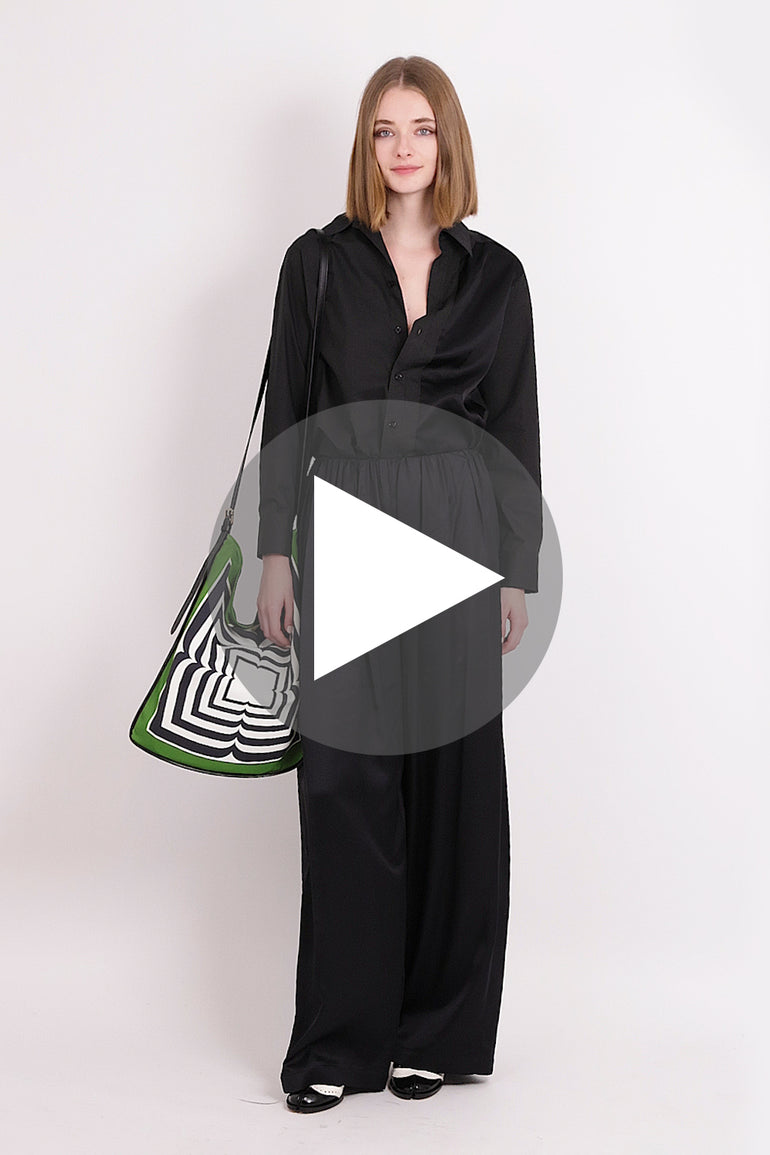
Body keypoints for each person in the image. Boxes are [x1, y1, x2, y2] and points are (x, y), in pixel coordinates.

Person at [256, 55, 542, 1114]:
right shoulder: (316, 264)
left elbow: (513, 423)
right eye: (384, 129)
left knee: (454, 791)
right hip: (344, 534)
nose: (403, 147)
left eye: (420, 127)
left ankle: (437, 1033)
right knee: (344, 787)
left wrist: (514, 570)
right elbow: (290, 409)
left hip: (457, 540)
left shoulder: (496, 275)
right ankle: (341, 1043)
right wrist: (275, 550)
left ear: (446, 139)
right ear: (365, 145)